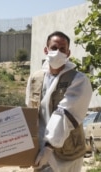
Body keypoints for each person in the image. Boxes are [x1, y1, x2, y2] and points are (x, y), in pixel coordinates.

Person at [25, 31, 92, 172]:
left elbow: (66, 113)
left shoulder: (78, 79)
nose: (58, 52)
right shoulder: (35, 78)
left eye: (62, 49)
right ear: (46, 50)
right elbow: (29, 113)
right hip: (40, 149)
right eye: (54, 48)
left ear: (68, 53)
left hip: (68, 153)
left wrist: (49, 147)